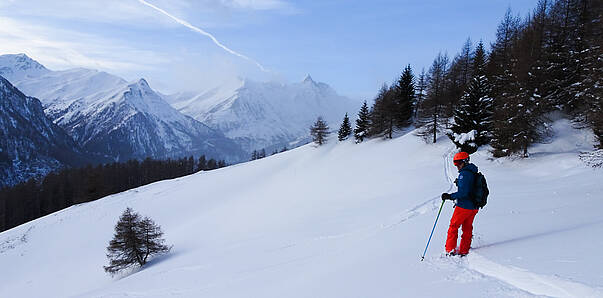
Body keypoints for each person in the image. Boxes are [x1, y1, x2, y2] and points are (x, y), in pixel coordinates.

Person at [441, 152, 479, 256]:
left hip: (464, 206)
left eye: (458, 163)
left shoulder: (464, 174)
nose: (457, 166)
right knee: (467, 228)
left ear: (465, 162)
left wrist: (449, 196)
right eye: (455, 164)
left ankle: (450, 250)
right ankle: (464, 250)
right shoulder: (473, 172)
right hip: (474, 206)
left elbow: (463, 193)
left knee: (453, 226)